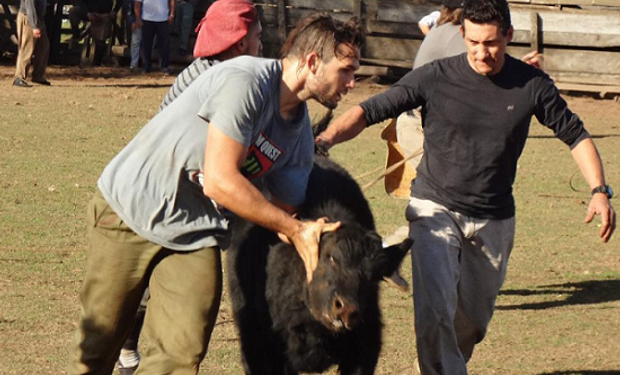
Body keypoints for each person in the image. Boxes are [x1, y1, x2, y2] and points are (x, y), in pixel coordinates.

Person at [316, 0, 615, 374]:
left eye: (490, 43)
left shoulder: (532, 85)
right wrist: (325, 140)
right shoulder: (436, 76)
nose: (481, 52)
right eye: (473, 42)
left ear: (508, 36)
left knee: (472, 321)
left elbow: (575, 135)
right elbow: (371, 109)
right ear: (462, 34)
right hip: (434, 208)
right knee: (435, 311)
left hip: (494, 218)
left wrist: (599, 190)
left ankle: (443, 363)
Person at [68, 13, 364, 375]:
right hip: (132, 208)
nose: (352, 83)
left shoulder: (299, 137)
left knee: (182, 352)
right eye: (346, 70)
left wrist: (319, 240)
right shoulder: (247, 81)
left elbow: (282, 214)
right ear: (314, 62)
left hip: (196, 230)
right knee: (97, 349)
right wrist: (294, 228)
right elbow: (220, 181)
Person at [115, 1, 263, 372]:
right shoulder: (206, 78)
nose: (264, 44)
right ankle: (128, 342)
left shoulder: (234, 74)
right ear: (240, 41)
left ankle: (133, 345)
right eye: (259, 37)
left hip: (198, 190)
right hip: (173, 190)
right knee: (154, 278)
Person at [159, 0, 262, 110]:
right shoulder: (222, 84)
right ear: (241, 43)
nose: (261, 46)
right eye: (258, 37)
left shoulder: (207, 68)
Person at [13, 0, 50, 87]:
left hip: (39, 19)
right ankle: (19, 77)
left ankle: (38, 76)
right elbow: (30, 6)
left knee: (44, 46)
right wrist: (34, 26)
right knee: (27, 48)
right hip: (28, 18)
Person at [135, 0, 175, 74]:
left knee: (164, 45)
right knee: (146, 44)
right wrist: (138, 19)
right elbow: (137, 3)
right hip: (147, 19)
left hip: (163, 19)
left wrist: (172, 14)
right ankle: (146, 66)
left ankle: (164, 67)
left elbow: (172, 1)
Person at [124, 0, 142, 70]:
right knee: (135, 42)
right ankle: (134, 64)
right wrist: (133, 21)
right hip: (136, 20)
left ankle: (145, 63)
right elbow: (129, 9)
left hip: (150, 19)